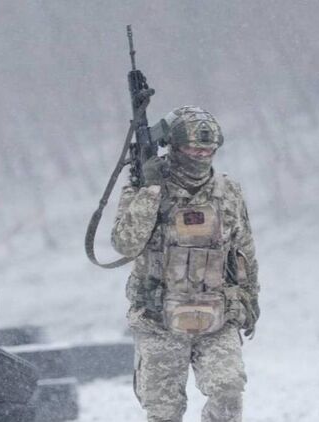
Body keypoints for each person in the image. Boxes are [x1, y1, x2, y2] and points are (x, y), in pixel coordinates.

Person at [111, 106, 259, 422]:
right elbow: (125, 243)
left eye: (208, 149)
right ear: (175, 147)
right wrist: (150, 191)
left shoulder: (228, 191)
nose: (201, 155)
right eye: (194, 149)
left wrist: (249, 298)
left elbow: (244, 248)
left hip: (216, 315)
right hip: (159, 319)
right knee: (164, 413)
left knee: (229, 391)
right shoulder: (145, 188)